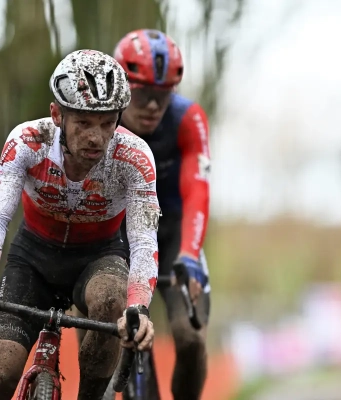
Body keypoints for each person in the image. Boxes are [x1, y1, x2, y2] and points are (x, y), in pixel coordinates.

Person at [0, 49, 160, 400]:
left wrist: (138, 308)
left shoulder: (134, 157)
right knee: (1, 374)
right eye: (83, 123)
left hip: (99, 258)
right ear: (57, 115)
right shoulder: (27, 141)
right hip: (32, 258)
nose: (96, 137)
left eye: (107, 123)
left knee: (113, 299)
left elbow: (144, 240)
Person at [115, 29, 212, 400]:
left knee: (190, 339)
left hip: (172, 232)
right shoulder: (102, 120)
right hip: (119, 234)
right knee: (127, 334)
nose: (153, 106)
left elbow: (197, 190)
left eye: (164, 95)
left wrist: (190, 254)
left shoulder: (188, 118)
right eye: (142, 95)